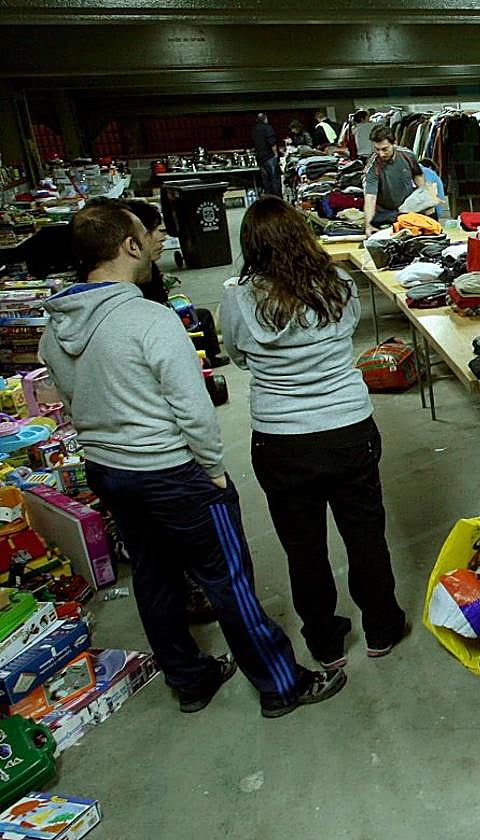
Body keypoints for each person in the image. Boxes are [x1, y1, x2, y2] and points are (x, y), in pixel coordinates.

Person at [39, 201, 346, 717]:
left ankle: (189, 677)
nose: (156, 242)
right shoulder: (147, 319)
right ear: (130, 246)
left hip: (109, 469)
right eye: (146, 233)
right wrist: (214, 471)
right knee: (228, 579)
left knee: (155, 577)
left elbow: (72, 401)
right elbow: (193, 409)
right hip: (171, 472)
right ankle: (281, 684)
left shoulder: (56, 326)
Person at [221, 197, 409, 668]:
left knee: (302, 547)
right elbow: (347, 337)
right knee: (365, 535)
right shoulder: (338, 286)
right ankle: (382, 627)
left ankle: (325, 641)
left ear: (252, 246)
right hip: (347, 427)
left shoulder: (239, 298)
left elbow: (237, 354)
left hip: (281, 437)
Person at [120, 200, 227, 366]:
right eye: (154, 231)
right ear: (132, 242)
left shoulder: (148, 270)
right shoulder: (131, 286)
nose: (162, 237)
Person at [362, 124, 426, 235]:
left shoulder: (408, 156)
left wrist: (426, 201)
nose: (381, 154)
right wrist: (369, 225)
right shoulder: (372, 165)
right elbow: (370, 197)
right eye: (377, 149)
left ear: (394, 143)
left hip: (408, 209)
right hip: (385, 213)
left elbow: (418, 177)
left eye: (385, 149)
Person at [251, 112, 282, 196]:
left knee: (265, 181)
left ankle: (268, 198)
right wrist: (276, 155)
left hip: (260, 158)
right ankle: (277, 199)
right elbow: (272, 142)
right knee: (274, 179)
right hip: (269, 156)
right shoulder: (267, 128)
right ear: (266, 119)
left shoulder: (254, 130)